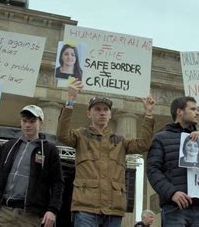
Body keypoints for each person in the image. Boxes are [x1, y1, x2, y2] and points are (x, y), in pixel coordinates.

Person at [56, 79, 155, 227]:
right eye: (97, 109)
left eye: (105, 110)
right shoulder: (80, 136)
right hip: (86, 207)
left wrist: (148, 114)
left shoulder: (121, 141)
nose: (102, 112)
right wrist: (70, 101)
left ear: (110, 114)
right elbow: (62, 135)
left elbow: (144, 144)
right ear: (89, 113)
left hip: (113, 209)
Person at [0, 105, 64, 227]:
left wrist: (53, 209)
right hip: (3, 211)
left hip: (30, 216)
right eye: (24, 121)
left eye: (32, 121)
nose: (27, 125)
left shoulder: (49, 150)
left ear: (41, 123)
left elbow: (58, 182)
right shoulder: (10, 145)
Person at [147, 96, 199, 226]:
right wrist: (172, 193)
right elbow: (153, 170)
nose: (197, 113)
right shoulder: (161, 138)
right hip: (175, 207)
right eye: (192, 109)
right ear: (179, 111)